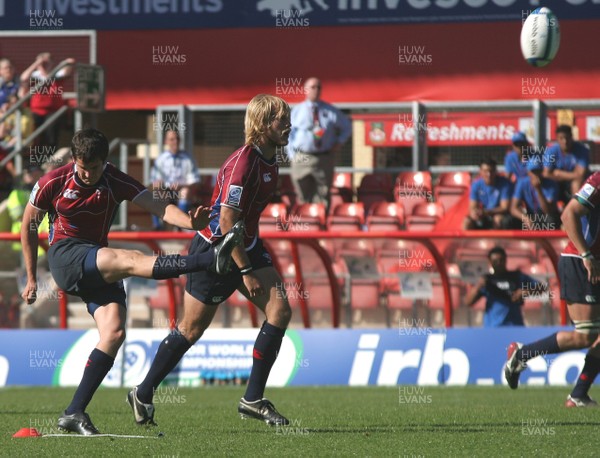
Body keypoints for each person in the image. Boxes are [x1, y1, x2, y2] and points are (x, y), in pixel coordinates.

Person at [21, 128, 244, 435]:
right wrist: (33, 277)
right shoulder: (53, 182)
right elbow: (28, 225)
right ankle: (209, 260)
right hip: (66, 256)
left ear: (105, 161)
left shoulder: (115, 179)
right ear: (74, 160)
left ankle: (73, 412)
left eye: (95, 168)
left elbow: (160, 207)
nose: (88, 175)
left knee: (113, 332)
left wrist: (190, 223)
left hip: (95, 258)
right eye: (83, 168)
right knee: (128, 258)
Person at [128, 94, 293, 427]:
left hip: (245, 245)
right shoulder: (243, 163)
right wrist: (246, 270)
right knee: (190, 331)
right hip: (216, 251)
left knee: (280, 310)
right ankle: (142, 392)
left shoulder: (271, 158)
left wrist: (250, 254)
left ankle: (253, 399)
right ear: (263, 124)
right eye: (281, 120)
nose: (288, 125)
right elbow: (228, 221)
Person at [504, 170, 600, 407]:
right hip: (581, 261)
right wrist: (586, 254)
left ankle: (579, 394)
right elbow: (568, 215)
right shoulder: (598, 181)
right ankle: (522, 354)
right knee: (584, 336)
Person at [287, 77, 351, 212]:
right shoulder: (297, 111)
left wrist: (339, 142)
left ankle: (321, 224)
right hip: (301, 158)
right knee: (302, 193)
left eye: (318, 87)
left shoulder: (330, 110)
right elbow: (288, 133)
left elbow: (347, 127)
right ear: (305, 90)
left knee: (323, 193)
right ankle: (306, 223)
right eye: (313, 87)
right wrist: (292, 155)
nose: (316, 90)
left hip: (324, 158)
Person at [465, 246, 546, 327]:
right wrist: (479, 285)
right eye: (495, 261)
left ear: (505, 259)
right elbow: (468, 302)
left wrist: (526, 292)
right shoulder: (487, 280)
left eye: (501, 260)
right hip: (493, 328)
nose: (499, 263)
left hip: (515, 326)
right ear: (490, 262)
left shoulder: (516, 276)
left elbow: (543, 288)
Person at [20, 53, 76, 149]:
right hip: (36, 110)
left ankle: (51, 160)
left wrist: (63, 63)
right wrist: (37, 63)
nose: (45, 63)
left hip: (53, 111)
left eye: (47, 61)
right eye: (43, 61)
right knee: (37, 137)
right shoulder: (34, 76)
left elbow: (69, 65)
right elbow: (24, 78)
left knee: (51, 136)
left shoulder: (57, 74)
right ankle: (37, 159)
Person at [149, 130, 200, 230]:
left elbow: (195, 182)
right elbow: (154, 182)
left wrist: (182, 186)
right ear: (166, 142)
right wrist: (160, 185)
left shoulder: (188, 158)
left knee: (186, 191)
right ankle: (158, 227)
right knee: (156, 191)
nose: (175, 142)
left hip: (182, 191)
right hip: (165, 191)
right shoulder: (161, 159)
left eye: (177, 139)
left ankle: (178, 226)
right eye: (172, 139)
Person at [509, 156, 560, 231]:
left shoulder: (551, 184)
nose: (536, 174)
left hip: (545, 215)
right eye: (533, 171)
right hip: (530, 215)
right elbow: (513, 208)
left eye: (538, 171)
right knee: (509, 221)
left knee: (550, 220)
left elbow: (547, 210)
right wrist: (525, 218)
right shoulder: (522, 183)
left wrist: (538, 190)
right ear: (528, 172)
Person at [7, 165, 48, 255]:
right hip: (22, 243)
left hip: (44, 243)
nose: (36, 178)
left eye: (39, 175)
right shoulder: (17, 194)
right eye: (32, 175)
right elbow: (18, 216)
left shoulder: (47, 192)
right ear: (25, 178)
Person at [463, 158, 512, 230]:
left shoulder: (505, 184)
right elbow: (472, 207)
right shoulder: (476, 185)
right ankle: (466, 241)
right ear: (480, 172)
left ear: (496, 171)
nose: (489, 174)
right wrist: (475, 213)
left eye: (491, 171)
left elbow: (504, 208)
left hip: (499, 214)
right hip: (484, 215)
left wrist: (486, 212)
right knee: (467, 222)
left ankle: (495, 241)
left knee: (498, 219)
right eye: (485, 171)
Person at [542, 124, 590, 197]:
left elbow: (581, 174)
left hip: (573, 181)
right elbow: (546, 173)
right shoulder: (551, 151)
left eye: (567, 138)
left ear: (571, 137)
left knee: (577, 183)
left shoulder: (581, 150)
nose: (565, 141)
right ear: (557, 139)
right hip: (556, 181)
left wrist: (559, 173)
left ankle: (576, 207)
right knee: (547, 184)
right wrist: (572, 174)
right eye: (561, 138)